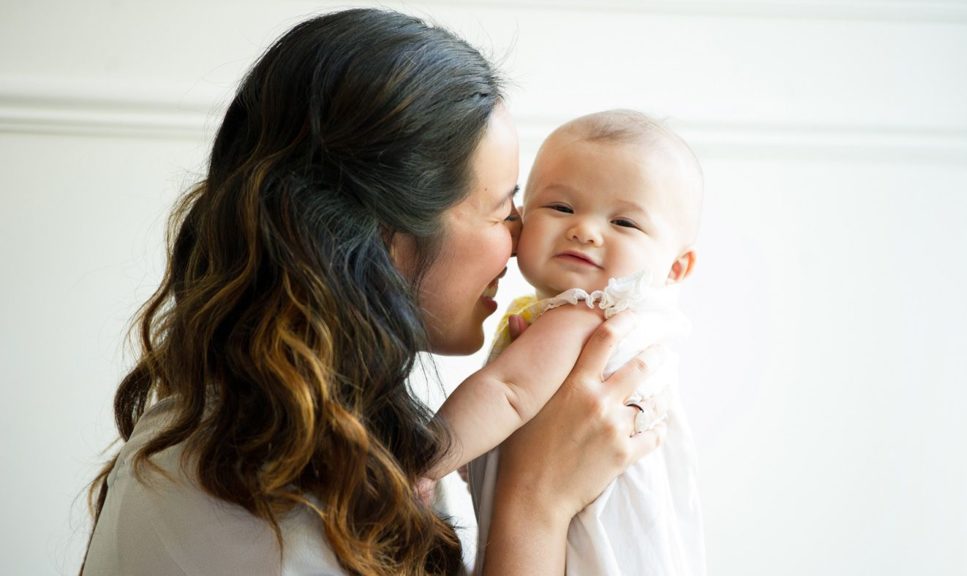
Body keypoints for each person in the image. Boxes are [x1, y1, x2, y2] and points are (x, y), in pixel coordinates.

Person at [79, 9, 664, 576]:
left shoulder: (318, 430)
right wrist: (535, 503)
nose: (520, 242)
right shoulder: (263, 513)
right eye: (500, 209)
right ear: (383, 240)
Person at [460, 110, 707, 575]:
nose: (585, 230)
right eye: (561, 208)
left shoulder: (585, 316)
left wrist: (428, 457)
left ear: (675, 268)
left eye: (625, 223)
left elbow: (507, 393)